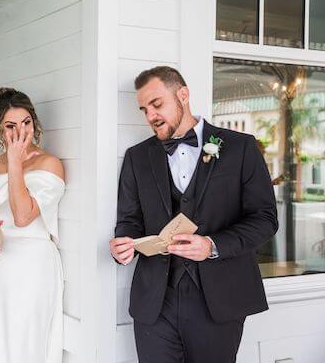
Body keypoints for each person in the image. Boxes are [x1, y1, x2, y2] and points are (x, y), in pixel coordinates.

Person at [109, 66, 278, 362]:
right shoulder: (137, 157)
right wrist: (124, 245)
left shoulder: (241, 148)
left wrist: (213, 245)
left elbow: (265, 219)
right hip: (155, 304)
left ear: (183, 95)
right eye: (144, 109)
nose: (150, 116)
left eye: (157, 104)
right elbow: (129, 221)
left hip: (219, 300)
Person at [0, 87, 66, 363]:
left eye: (26, 123)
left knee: (25, 342)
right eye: (11, 126)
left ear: (34, 122)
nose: (20, 132)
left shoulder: (49, 164)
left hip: (33, 265)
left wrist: (15, 163)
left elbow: (22, 216)